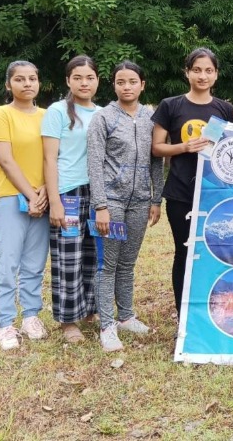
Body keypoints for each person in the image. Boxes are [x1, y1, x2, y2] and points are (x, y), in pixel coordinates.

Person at [152, 48, 233, 321]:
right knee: (184, 252)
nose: (202, 76)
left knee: (214, 253)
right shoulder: (170, 105)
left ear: (216, 75)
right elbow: (157, 148)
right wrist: (184, 147)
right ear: (186, 72)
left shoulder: (223, 109)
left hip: (214, 194)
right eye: (197, 70)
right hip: (180, 192)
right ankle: (182, 311)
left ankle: (210, 311)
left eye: (208, 70)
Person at [88, 61, 164, 352]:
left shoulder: (151, 117)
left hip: (141, 201)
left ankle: (126, 316)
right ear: (114, 86)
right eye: (121, 82)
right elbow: (95, 163)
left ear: (142, 85)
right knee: (108, 264)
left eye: (132, 81)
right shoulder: (103, 118)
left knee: (128, 263)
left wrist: (156, 199)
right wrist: (101, 205)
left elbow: (157, 159)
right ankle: (107, 325)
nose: (127, 87)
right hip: (112, 202)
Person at [0, 60, 49, 350]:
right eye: (20, 79)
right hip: (10, 197)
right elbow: (6, 160)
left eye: (32, 78)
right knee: (8, 262)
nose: (27, 84)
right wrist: (30, 195)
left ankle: (31, 316)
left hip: (44, 196)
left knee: (34, 263)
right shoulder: (1, 114)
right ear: (8, 84)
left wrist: (45, 190)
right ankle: (5, 323)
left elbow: (55, 158)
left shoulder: (49, 116)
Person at [42, 55, 101, 344]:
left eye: (89, 77)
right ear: (68, 80)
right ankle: (68, 320)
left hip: (98, 193)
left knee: (93, 255)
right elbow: (49, 159)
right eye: (77, 77)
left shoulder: (103, 113)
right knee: (68, 257)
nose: (84, 82)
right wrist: (55, 201)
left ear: (97, 81)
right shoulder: (57, 111)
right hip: (69, 193)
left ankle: (89, 310)